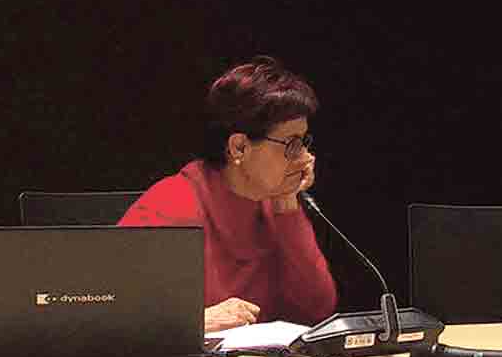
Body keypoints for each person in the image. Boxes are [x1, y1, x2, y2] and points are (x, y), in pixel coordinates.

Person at [120, 57, 339, 332]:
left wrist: (287, 204)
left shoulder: (275, 203)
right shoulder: (171, 205)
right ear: (239, 148)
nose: (305, 158)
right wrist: (195, 322)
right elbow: (112, 317)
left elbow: (315, 310)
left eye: (304, 141)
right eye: (291, 144)